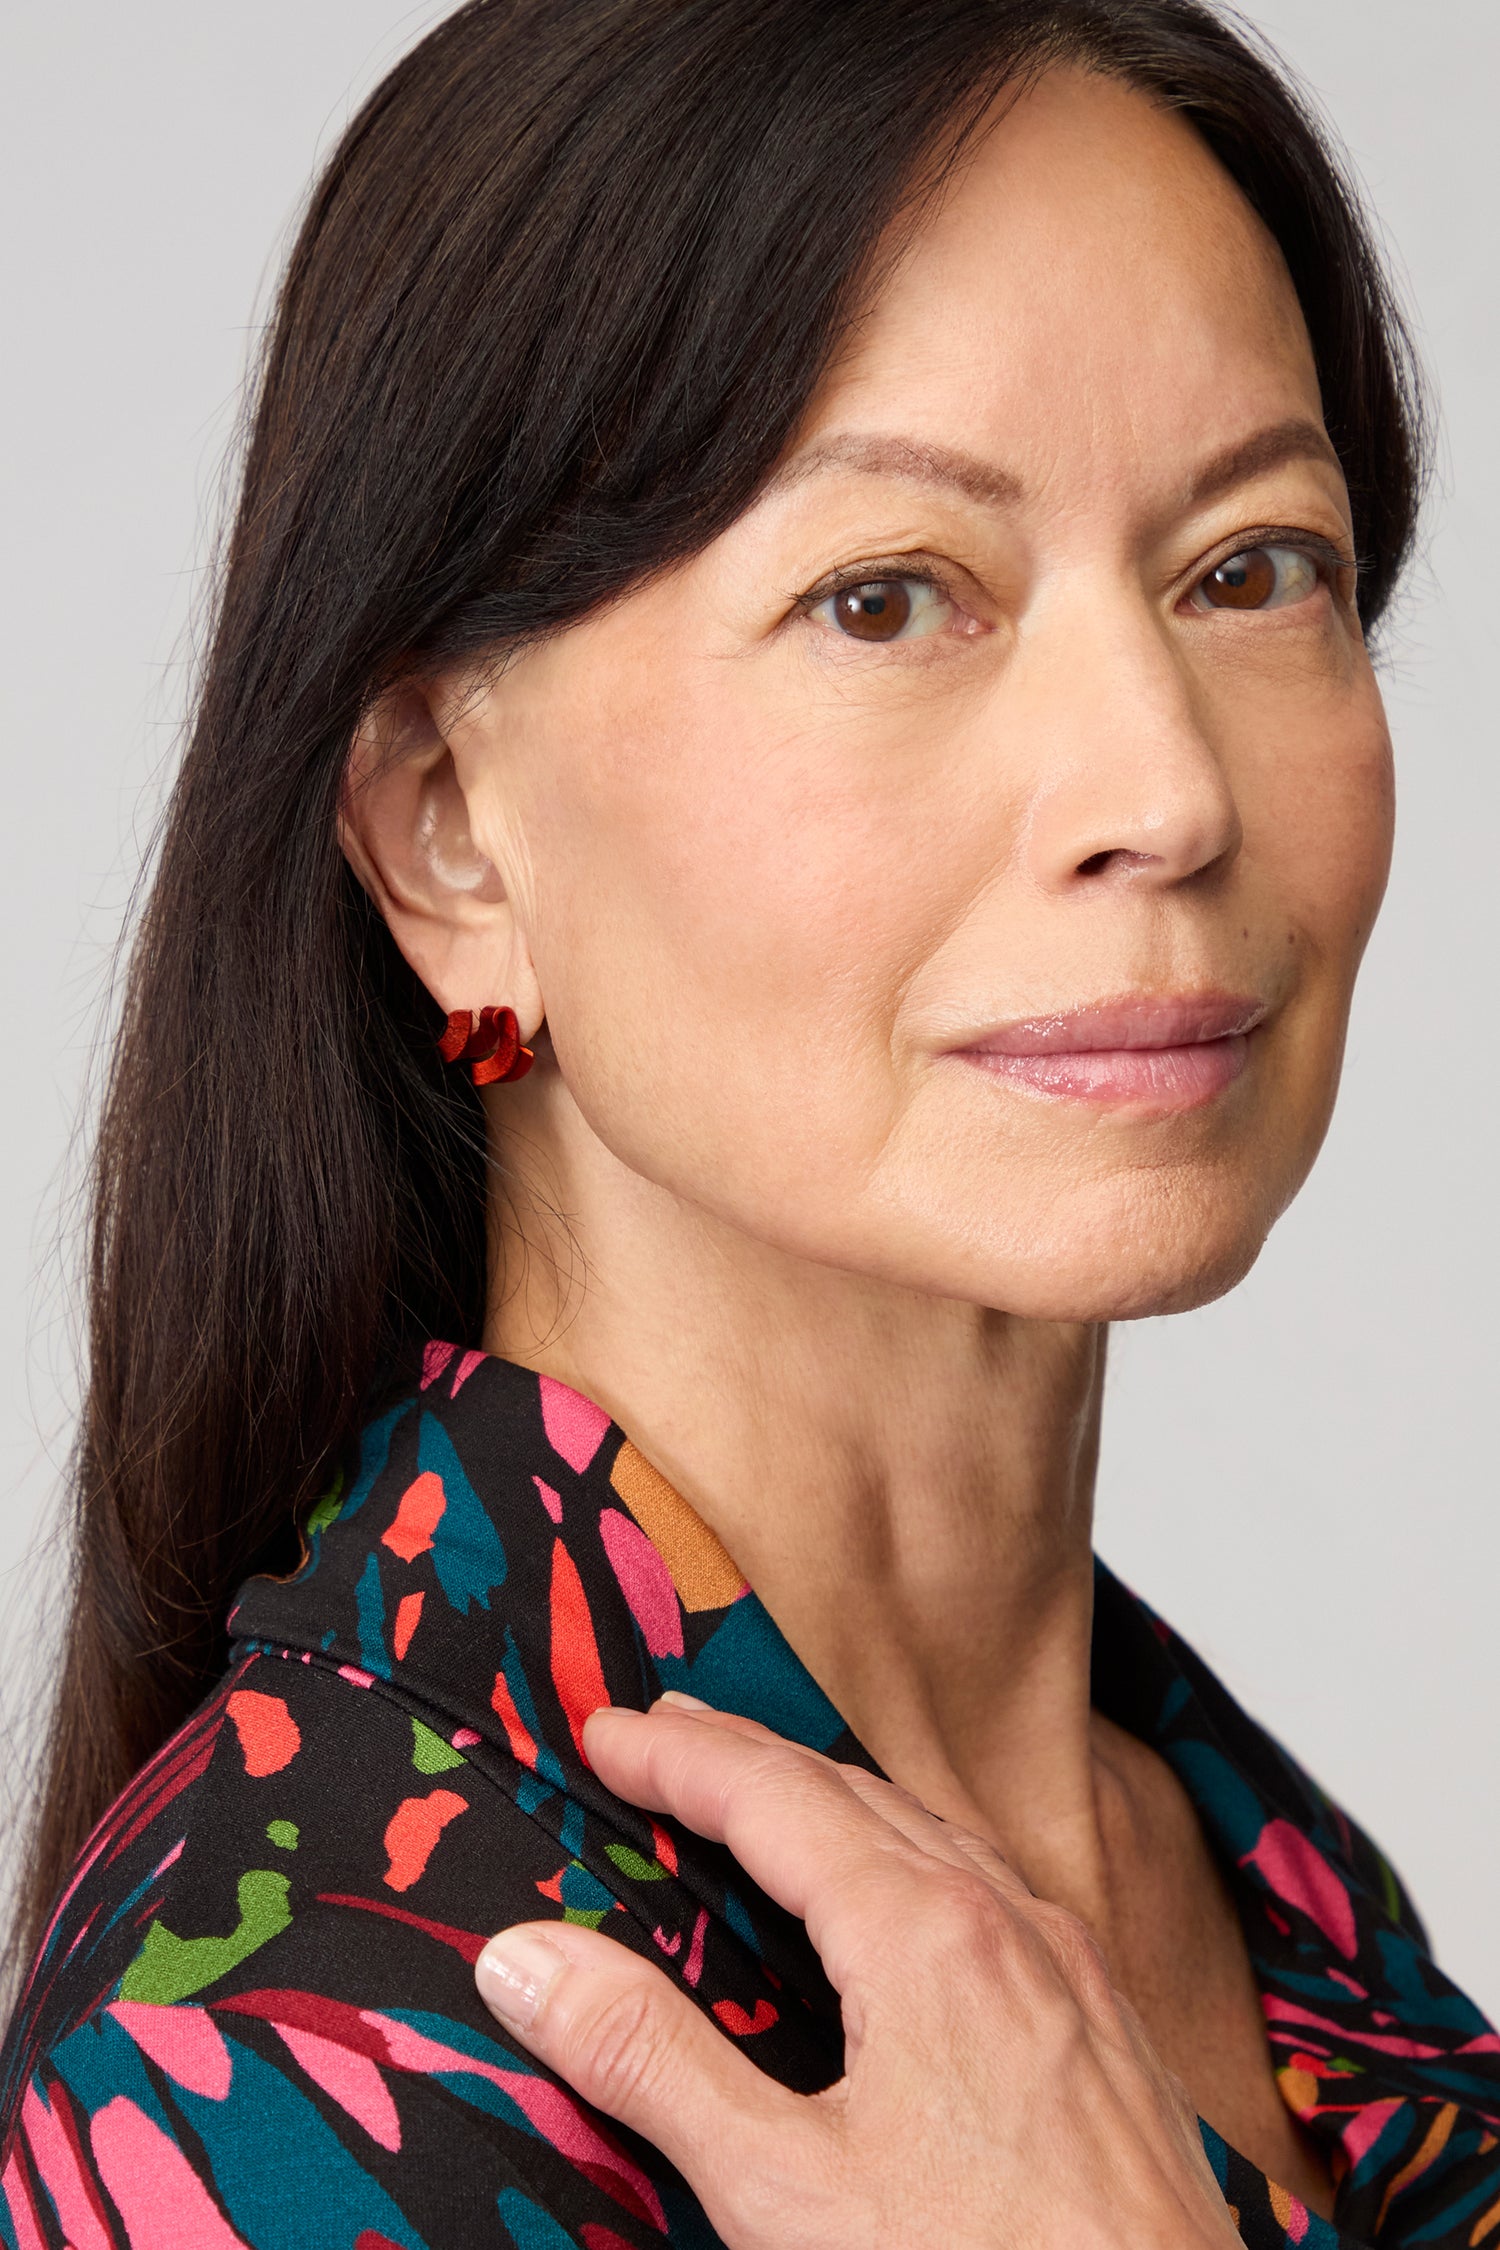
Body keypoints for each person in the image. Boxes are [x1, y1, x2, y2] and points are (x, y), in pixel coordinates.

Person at [3, 1, 1492, 2244]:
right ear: (449, 843)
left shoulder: (1229, 1858)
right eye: (886, 598)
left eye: (1251, 567)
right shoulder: (304, 2040)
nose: (1167, 793)